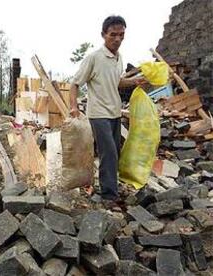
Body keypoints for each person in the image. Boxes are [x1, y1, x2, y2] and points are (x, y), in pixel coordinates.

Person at [69, 16, 146, 207]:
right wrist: (73, 107)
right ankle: (109, 195)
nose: (117, 39)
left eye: (121, 35)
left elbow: (117, 81)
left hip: (115, 112)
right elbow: (75, 83)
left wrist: (134, 81)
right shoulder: (94, 58)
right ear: (103, 35)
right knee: (109, 152)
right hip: (98, 113)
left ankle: (109, 187)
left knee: (115, 152)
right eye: (113, 35)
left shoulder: (119, 58)